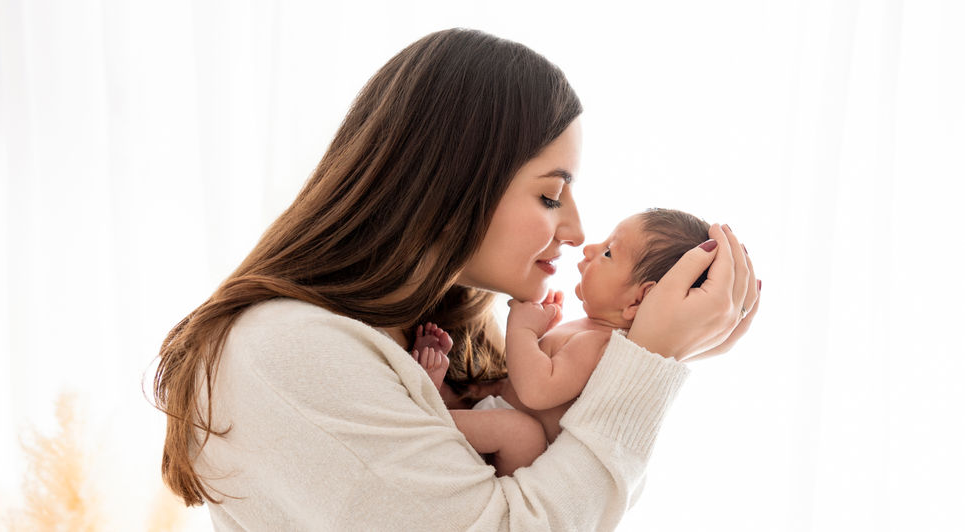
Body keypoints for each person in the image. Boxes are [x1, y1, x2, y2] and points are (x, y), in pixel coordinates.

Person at [152, 28, 760, 530]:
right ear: (452, 182)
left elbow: (560, 493)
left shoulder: (439, 333)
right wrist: (647, 366)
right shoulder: (290, 351)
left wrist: (641, 355)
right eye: (551, 195)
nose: (576, 231)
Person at [411, 208, 745, 476]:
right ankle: (441, 396)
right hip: (496, 412)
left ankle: (427, 418)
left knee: (521, 430)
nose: (590, 248)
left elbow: (538, 391)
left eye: (609, 252)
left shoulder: (599, 345)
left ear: (638, 300)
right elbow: (537, 374)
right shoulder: (588, 329)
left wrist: (522, 331)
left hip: (517, 456)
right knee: (488, 388)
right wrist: (544, 334)